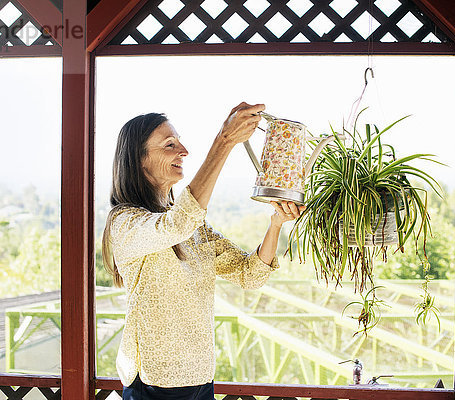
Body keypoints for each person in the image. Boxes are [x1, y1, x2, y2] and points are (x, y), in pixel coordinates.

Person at [102, 102, 305, 400]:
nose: (183, 151)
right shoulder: (126, 222)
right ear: (139, 160)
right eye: (169, 145)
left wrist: (276, 224)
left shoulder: (194, 226)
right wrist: (224, 141)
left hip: (200, 379)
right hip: (154, 384)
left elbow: (250, 275)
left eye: (179, 142)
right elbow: (177, 223)